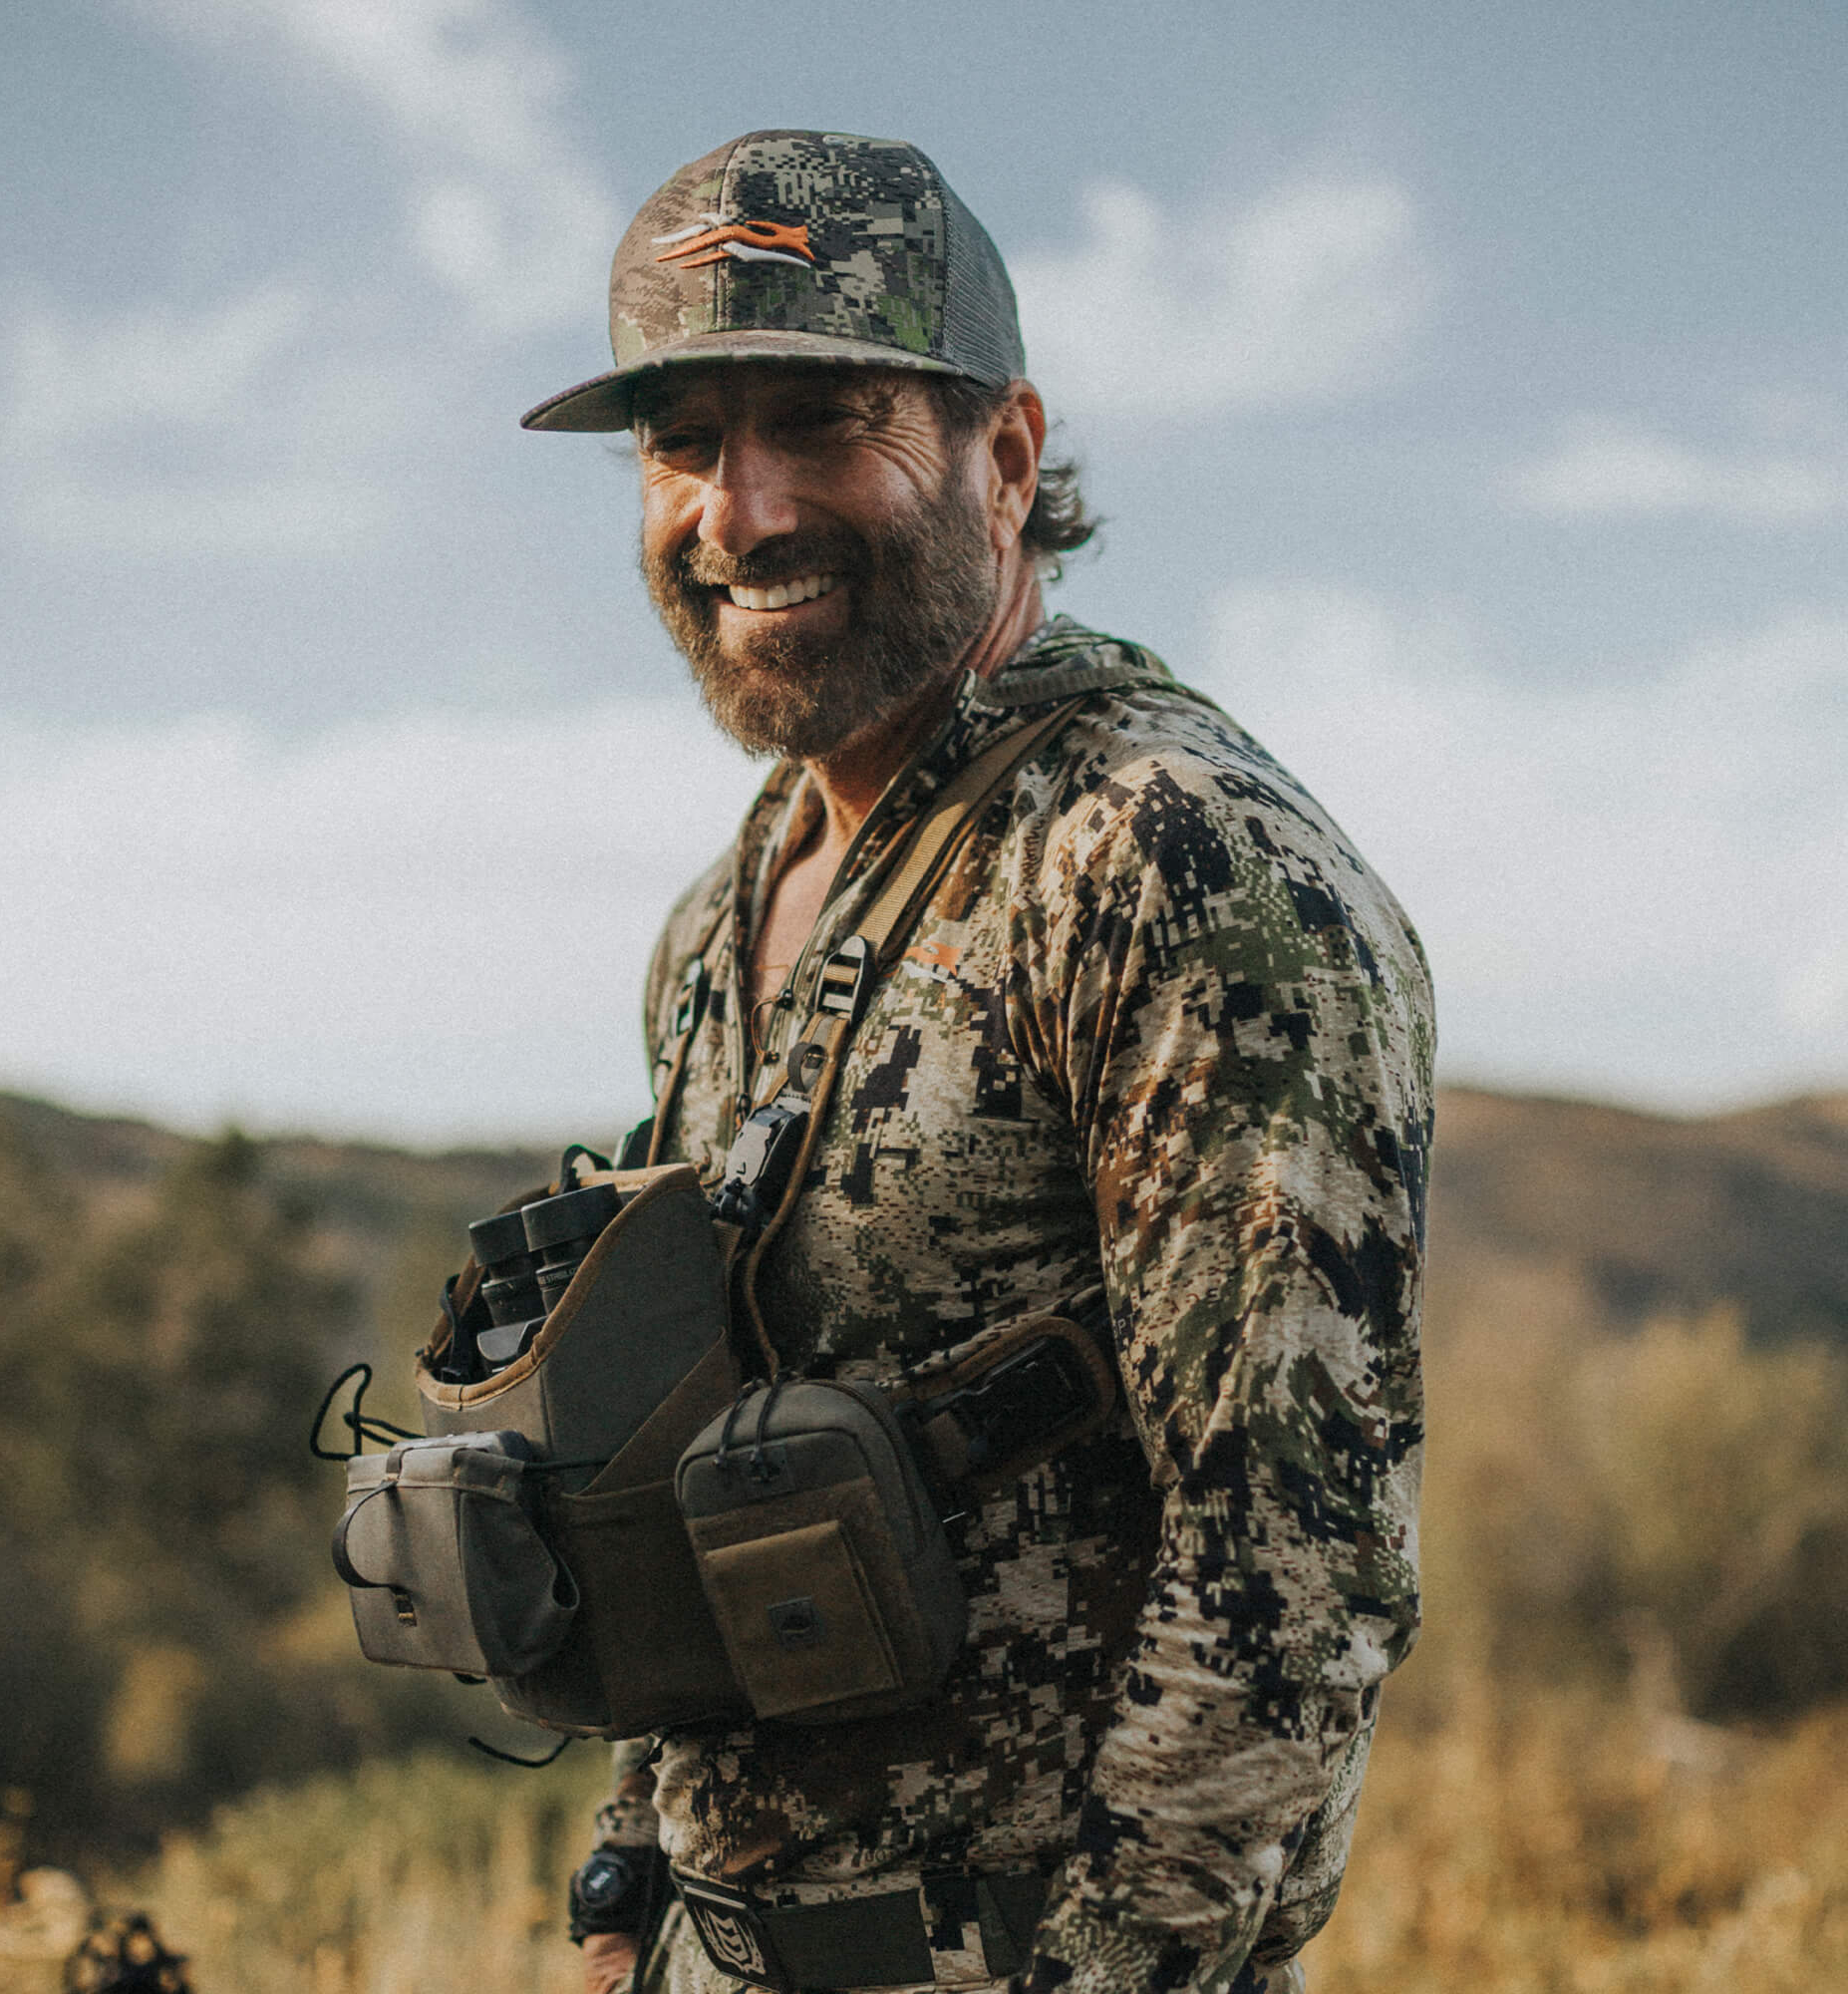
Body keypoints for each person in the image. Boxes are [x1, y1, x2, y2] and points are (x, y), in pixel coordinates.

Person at [521, 131, 1434, 1994]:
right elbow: (680, 1440)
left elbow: (1293, 1574)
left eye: (818, 420)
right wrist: (635, 1888)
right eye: (682, 441)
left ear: (1005, 459)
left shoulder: (1174, 863)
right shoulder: (723, 912)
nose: (739, 511)